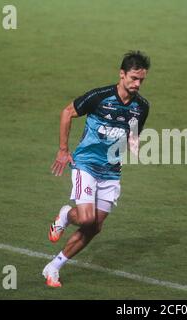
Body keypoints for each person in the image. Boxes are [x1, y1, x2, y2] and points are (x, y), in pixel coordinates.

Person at [42, 51, 151, 287]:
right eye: (133, 78)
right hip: (86, 165)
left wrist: (134, 145)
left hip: (111, 171)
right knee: (86, 218)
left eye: (141, 80)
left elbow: (133, 133)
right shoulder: (100, 96)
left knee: (95, 227)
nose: (137, 84)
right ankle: (66, 215)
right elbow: (67, 112)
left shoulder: (142, 107)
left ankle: (54, 267)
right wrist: (63, 150)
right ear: (121, 74)